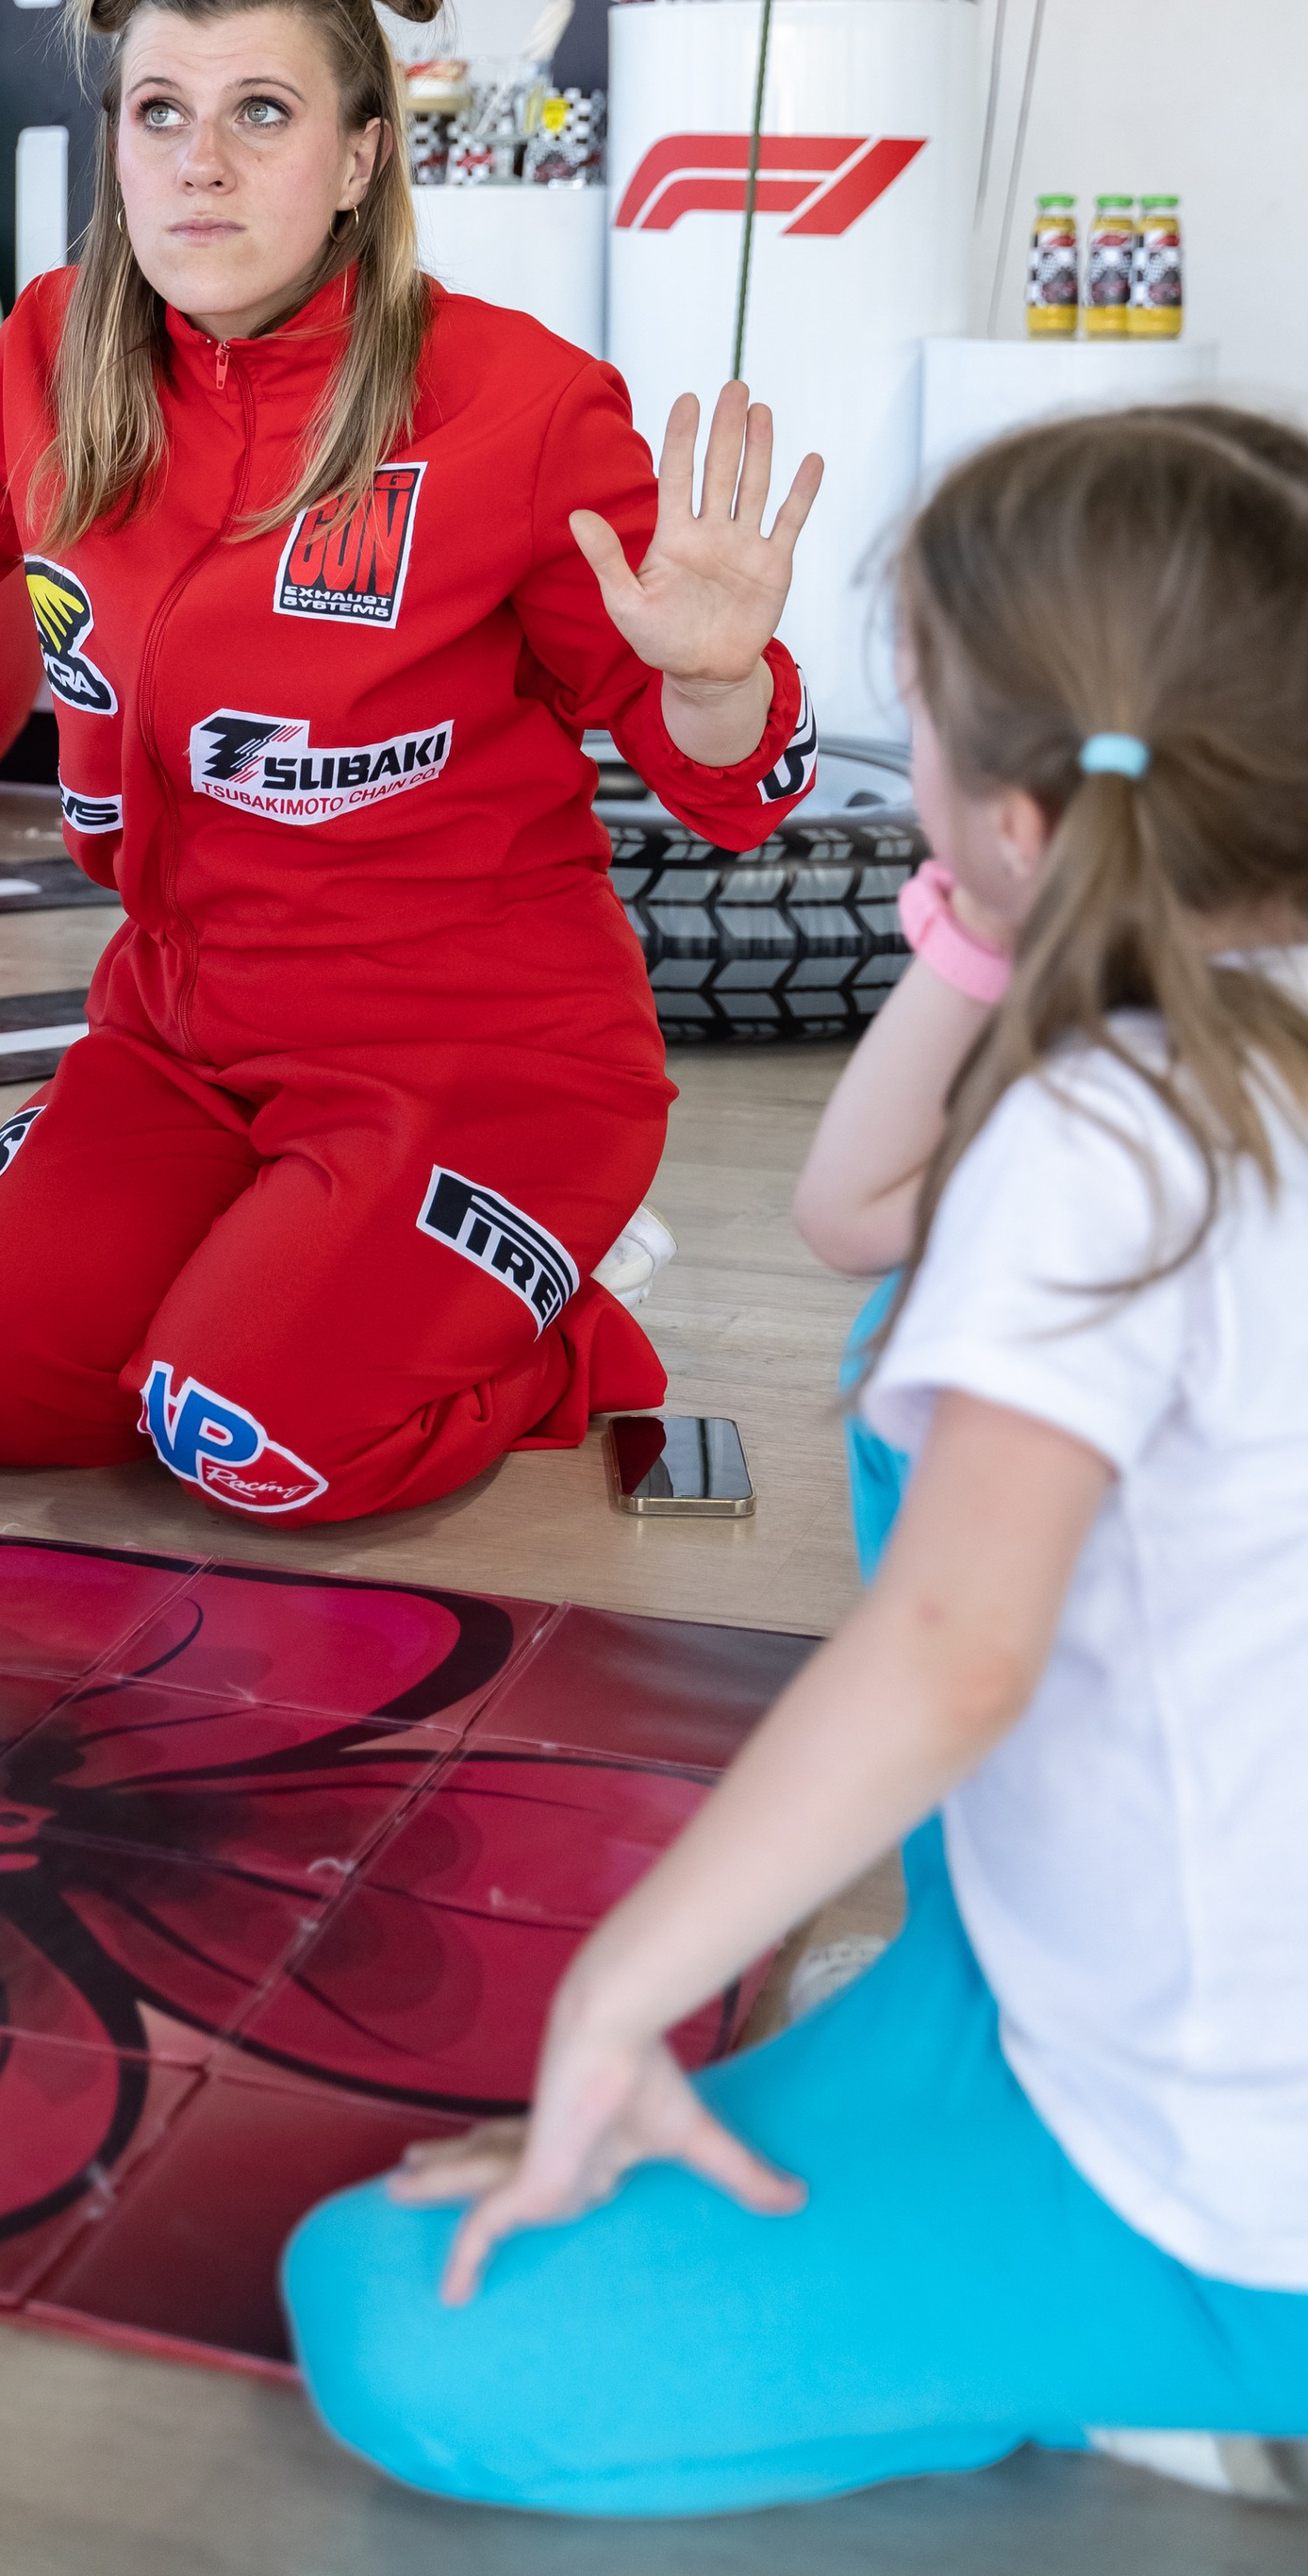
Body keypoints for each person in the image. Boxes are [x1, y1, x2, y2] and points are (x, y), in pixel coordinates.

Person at [282, 407, 1308, 2516]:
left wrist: (615, 2003)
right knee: (898, 1317)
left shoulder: (1112, 1136)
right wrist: (992, 922)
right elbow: (856, 1214)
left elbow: (953, 1652)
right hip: (1069, 1979)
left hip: (1207, 2175)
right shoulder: (1221, 1039)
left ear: (1012, 809)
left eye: (912, 714)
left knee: (392, 2311)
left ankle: (1185, 2375)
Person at [0, 0, 820, 1526]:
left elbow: (731, 791)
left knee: (248, 1436)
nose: (202, 163)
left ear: (360, 158)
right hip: (181, 1041)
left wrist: (718, 677)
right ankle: (287, 1266)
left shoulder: (519, 406)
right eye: (159, 112)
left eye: (263, 112)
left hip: (477, 1057)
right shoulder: (56, 354)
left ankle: (556, 1336)